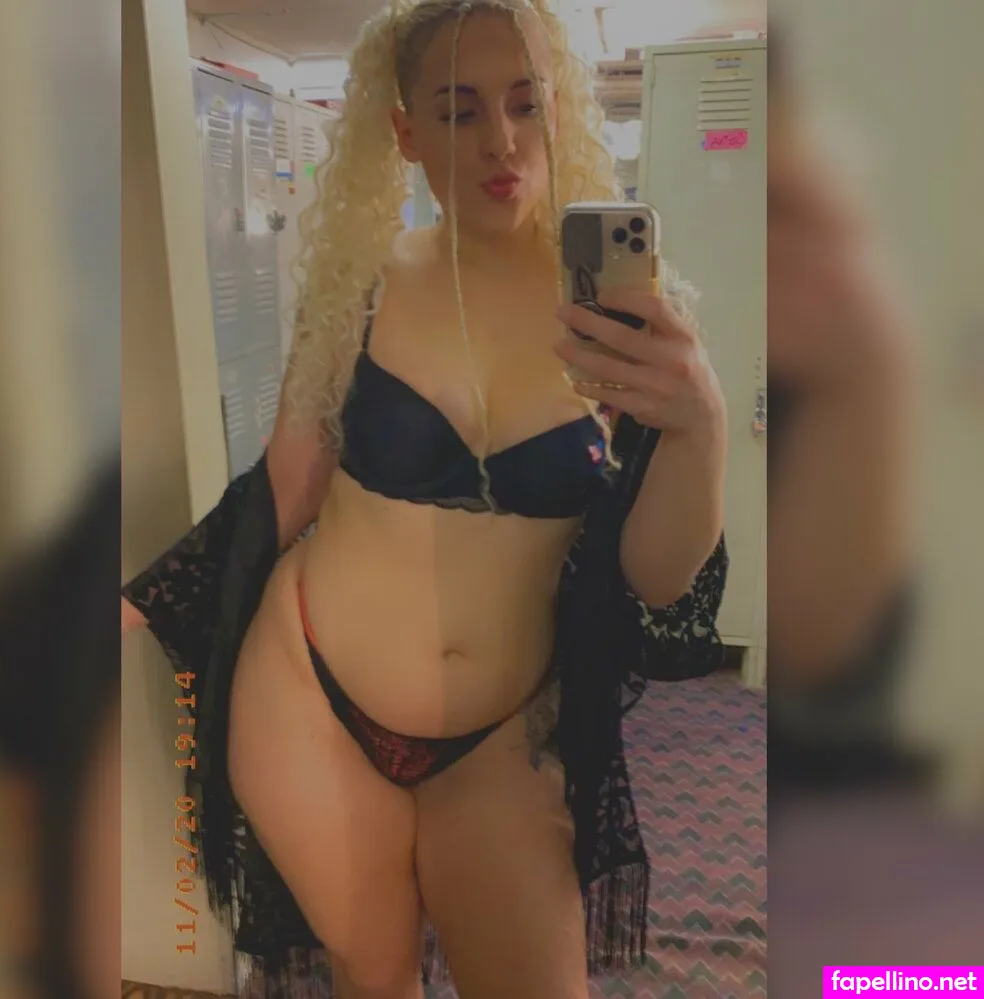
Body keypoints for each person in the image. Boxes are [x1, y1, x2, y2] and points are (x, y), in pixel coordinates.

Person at [123, 1, 728, 997]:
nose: (501, 142)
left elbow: (660, 581)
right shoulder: (362, 287)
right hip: (309, 695)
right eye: (459, 111)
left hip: (498, 739)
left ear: (559, 112)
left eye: (525, 104)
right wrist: (114, 610)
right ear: (405, 132)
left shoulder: (623, 320)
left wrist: (701, 420)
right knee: (377, 979)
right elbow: (283, 491)